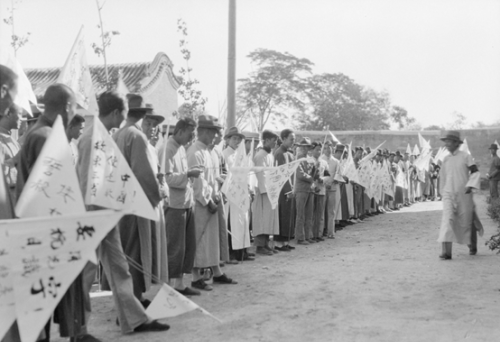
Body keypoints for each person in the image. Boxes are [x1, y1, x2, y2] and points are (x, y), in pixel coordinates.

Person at [77, 91, 170, 338]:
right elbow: (88, 182)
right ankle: (78, 329)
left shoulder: (105, 136)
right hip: (93, 217)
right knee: (86, 275)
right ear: (117, 113)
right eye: (123, 114)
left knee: (120, 269)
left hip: (106, 216)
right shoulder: (92, 138)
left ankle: (134, 318)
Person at [15, 83, 89, 342]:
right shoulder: (45, 136)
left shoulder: (42, 133)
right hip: (46, 234)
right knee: (42, 307)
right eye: (74, 108)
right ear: (68, 107)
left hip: (42, 230)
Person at [113, 94, 161, 303]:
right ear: (142, 116)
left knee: (125, 252)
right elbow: (143, 174)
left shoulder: (117, 135)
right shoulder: (137, 136)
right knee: (135, 252)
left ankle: (134, 297)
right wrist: (157, 196)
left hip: (119, 201)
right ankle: (131, 301)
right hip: (136, 201)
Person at [188, 114, 237, 291]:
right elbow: (197, 183)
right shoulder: (195, 152)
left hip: (214, 200)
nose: (216, 136)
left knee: (213, 238)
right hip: (201, 203)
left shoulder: (212, 152)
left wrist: (220, 186)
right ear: (204, 132)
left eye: (217, 132)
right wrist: (208, 201)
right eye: (213, 132)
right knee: (199, 239)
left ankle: (216, 272)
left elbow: (212, 177)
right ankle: (195, 277)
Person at [164, 117, 202, 295]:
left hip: (186, 202)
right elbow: (167, 178)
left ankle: (179, 283)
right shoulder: (167, 149)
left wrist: (190, 174)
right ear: (179, 131)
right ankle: (171, 285)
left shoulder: (180, 148)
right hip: (174, 205)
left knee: (186, 246)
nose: (191, 138)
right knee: (175, 246)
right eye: (189, 134)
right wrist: (188, 174)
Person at [437, 130, 480, 260]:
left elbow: (475, 172)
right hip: (449, 194)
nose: (447, 144)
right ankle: (447, 252)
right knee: (447, 220)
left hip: (464, 194)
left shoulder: (465, 156)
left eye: (449, 141)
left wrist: (470, 185)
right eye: (446, 142)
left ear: (456, 143)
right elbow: (442, 177)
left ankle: (472, 244)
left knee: (466, 220)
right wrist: (443, 193)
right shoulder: (446, 159)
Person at [222, 126, 253, 261]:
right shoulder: (224, 155)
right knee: (233, 223)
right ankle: (232, 253)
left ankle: (243, 250)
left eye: (239, 139)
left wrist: (249, 188)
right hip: (231, 193)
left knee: (244, 222)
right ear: (227, 139)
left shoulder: (241, 155)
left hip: (242, 192)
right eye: (234, 138)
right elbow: (225, 174)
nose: (237, 141)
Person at [252, 130, 280, 254]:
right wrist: (266, 190)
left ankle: (266, 243)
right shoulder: (260, 156)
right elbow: (260, 174)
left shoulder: (270, 155)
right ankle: (259, 245)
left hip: (270, 190)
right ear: (266, 140)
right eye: (273, 141)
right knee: (262, 218)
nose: (275, 143)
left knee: (268, 218)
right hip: (263, 191)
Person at [273, 128, 296, 250]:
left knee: (288, 215)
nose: (293, 141)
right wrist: (288, 190)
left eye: (294, 139)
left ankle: (286, 241)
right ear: (284, 139)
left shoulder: (290, 154)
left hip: (290, 188)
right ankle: (278, 243)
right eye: (291, 139)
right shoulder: (279, 153)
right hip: (282, 190)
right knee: (282, 215)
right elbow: (282, 174)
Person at [294, 137, 315, 245]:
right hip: (301, 189)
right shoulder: (298, 159)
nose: (306, 149)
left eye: (307, 147)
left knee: (309, 214)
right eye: (304, 147)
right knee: (300, 214)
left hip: (309, 189)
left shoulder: (309, 159)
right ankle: (300, 237)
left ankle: (308, 235)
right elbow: (300, 174)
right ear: (300, 147)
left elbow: (312, 172)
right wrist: (311, 178)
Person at [0, 103, 23, 202]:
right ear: (8, 114)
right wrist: (14, 160)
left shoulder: (12, 140)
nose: (22, 118)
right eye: (20, 114)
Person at [322, 142, 342, 238]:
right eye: (326, 148)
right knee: (321, 211)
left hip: (332, 189)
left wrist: (334, 181)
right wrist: (325, 183)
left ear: (332, 149)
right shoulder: (321, 160)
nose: (328, 150)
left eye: (329, 148)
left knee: (331, 211)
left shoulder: (336, 161)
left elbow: (339, 174)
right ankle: (321, 232)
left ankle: (331, 232)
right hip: (322, 188)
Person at [311, 141, 329, 242]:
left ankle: (319, 234)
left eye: (319, 150)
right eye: (316, 150)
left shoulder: (324, 163)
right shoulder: (309, 161)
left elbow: (327, 175)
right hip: (312, 190)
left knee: (320, 213)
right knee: (312, 213)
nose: (318, 152)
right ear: (312, 150)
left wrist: (323, 179)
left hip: (321, 190)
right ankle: (311, 234)